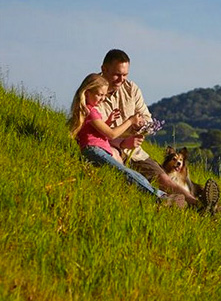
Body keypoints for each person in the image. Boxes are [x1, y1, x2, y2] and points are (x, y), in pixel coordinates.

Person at [96, 49, 220, 213]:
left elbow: (147, 117)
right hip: (112, 147)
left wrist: (141, 126)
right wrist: (124, 139)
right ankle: (161, 198)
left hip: (135, 149)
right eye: (117, 75)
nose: (121, 80)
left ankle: (197, 204)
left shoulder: (131, 89)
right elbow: (99, 132)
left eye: (125, 75)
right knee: (120, 167)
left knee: (163, 178)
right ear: (104, 69)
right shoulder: (94, 92)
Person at [67, 73, 181, 206]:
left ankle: (163, 196)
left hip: (99, 149)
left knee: (132, 174)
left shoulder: (91, 110)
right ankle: (160, 198)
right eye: (99, 94)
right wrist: (130, 120)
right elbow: (111, 134)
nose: (102, 99)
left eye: (104, 95)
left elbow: (97, 132)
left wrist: (109, 121)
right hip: (94, 150)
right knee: (126, 173)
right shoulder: (90, 112)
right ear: (87, 93)